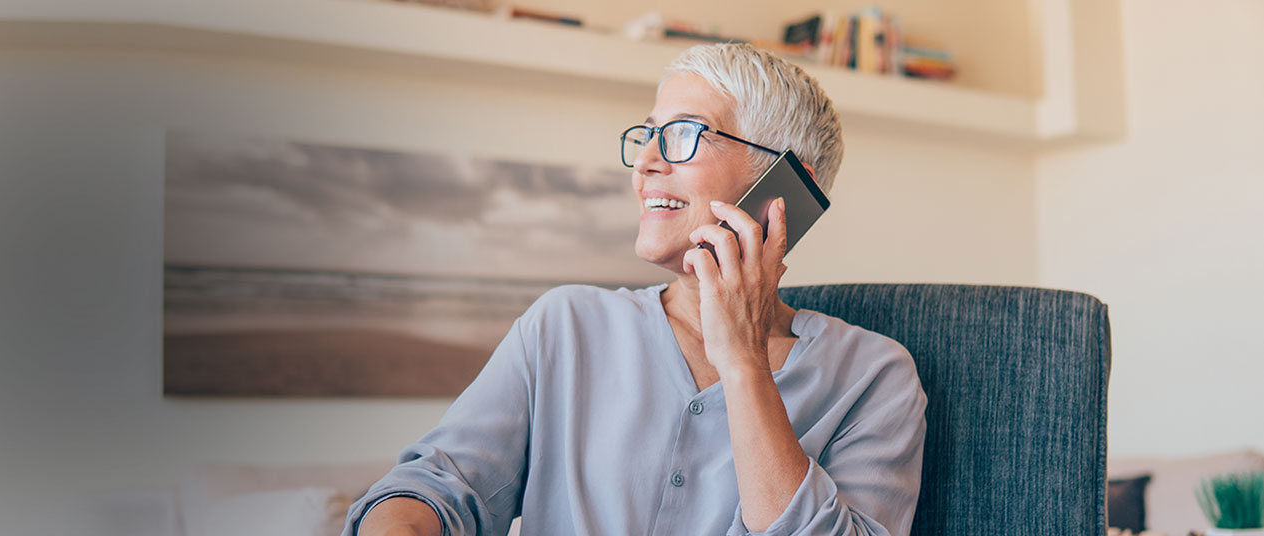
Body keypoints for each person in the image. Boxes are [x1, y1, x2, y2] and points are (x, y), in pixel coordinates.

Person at [344, 42, 927, 536]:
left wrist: (744, 364)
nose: (644, 162)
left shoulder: (873, 377)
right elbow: (438, 485)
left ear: (782, 184)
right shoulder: (565, 326)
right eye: (647, 135)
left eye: (681, 135)